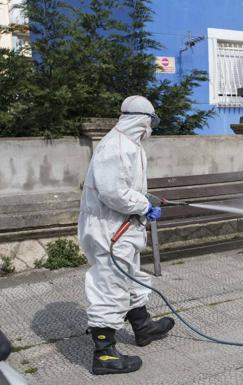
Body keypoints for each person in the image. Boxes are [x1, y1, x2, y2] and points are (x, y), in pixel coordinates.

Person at [78, 96, 174, 375]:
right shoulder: (116, 146)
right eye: (151, 122)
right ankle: (104, 355)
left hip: (122, 227)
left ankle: (143, 327)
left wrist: (145, 200)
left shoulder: (130, 145)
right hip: (109, 230)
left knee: (130, 278)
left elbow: (125, 185)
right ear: (141, 120)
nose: (151, 128)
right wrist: (144, 205)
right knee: (110, 286)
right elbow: (112, 193)